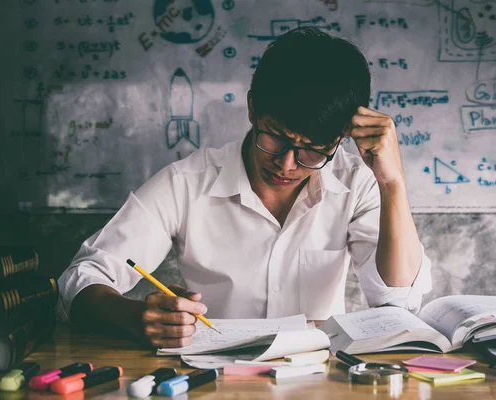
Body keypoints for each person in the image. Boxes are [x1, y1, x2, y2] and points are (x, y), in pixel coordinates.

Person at [57, 27, 432, 348]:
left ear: (340, 139)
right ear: (253, 108)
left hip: (320, 381)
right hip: (215, 377)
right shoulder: (186, 183)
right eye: (275, 138)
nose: (286, 165)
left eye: (313, 152)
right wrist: (135, 316)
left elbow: (398, 300)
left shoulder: (356, 184)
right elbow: (81, 279)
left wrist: (392, 181)